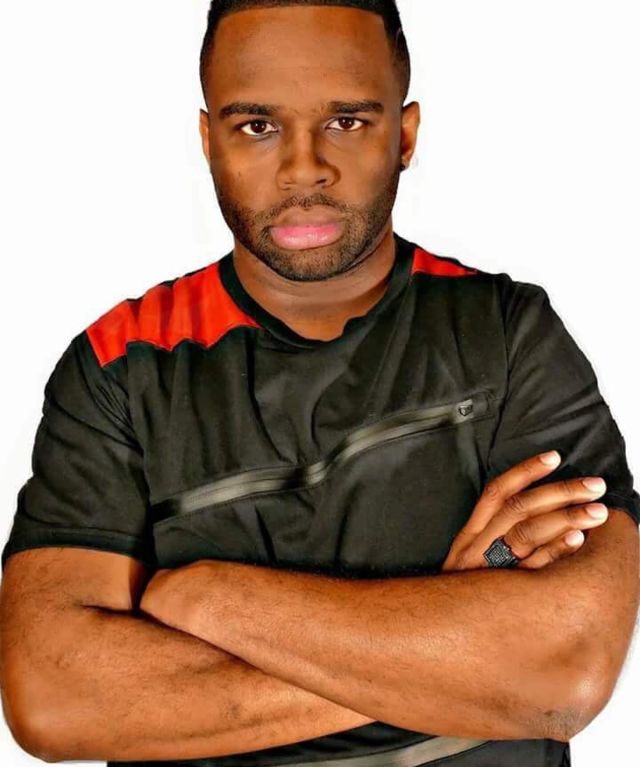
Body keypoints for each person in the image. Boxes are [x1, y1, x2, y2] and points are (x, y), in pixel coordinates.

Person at [0, 1, 638, 766]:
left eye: (346, 121)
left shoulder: (507, 333)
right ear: (208, 141)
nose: (304, 169)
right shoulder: (116, 367)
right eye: (256, 126)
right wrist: (450, 643)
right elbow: (54, 700)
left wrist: (207, 597)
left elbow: (562, 674)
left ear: (405, 135)